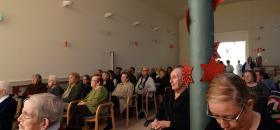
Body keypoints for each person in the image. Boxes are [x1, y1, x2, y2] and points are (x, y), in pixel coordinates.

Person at [205, 73, 280, 130]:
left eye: (229, 117)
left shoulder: (271, 126)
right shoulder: (214, 125)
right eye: (216, 116)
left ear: (249, 105)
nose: (222, 125)